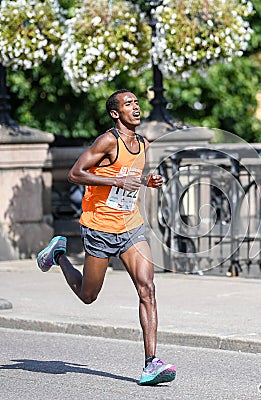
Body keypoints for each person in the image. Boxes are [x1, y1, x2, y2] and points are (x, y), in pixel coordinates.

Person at [36, 89, 176, 386]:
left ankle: (151, 363)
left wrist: (146, 181)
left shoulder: (143, 144)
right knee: (88, 295)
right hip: (99, 226)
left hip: (130, 226)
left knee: (147, 288)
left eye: (137, 103)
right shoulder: (107, 141)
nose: (136, 107)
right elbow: (76, 173)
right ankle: (58, 255)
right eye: (128, 104)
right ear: (116, 113)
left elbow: (130, 177)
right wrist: (116, 179)